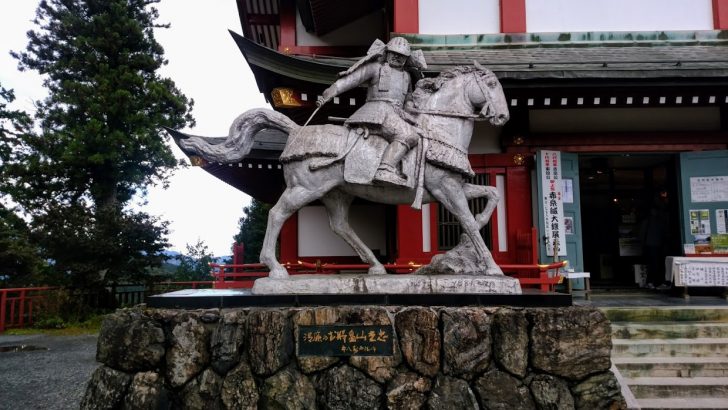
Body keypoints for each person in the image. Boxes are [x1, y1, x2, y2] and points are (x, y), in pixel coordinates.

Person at [316, 37, 426, 186]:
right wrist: (331, 92)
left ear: (406, 59)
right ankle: (385, 169)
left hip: (397, 114)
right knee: (409, 135)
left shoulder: (406, 76)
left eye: (402, 56)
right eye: (394, 53)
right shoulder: (375, 68)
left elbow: (407, 99)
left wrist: (412, 107)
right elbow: (351, 80)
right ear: (387, 52)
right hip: (377, 111)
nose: (397, 57)